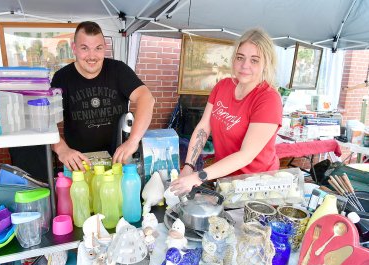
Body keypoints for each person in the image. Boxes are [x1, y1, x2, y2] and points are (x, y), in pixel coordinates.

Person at [170, 28, 283, 195]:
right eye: (240, 58)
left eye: (254, 60)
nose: (245, 65)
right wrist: (188, 166)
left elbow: (246, 155)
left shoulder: (268, 99)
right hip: (226, 180)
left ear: (266, 63)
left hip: (257, 185)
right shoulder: (223, 86)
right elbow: (203, 128)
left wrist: (198, 176)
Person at [51, 21, 155, 171]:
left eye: (98, 48)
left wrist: (133, 141)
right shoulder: (62, 78)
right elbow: (45, 120)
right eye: (84, 48)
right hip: (79, 165)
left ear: (105, 47)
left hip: (118, 162)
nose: (92, 56)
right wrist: (62, 149)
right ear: (74, 48)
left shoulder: (118, 70)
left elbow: (146, 98)